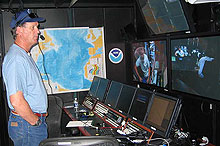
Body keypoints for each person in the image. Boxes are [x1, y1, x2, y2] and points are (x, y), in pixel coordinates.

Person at [2, 9, 48, 146]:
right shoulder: (16, 58)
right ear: (19, 30)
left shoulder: (22, 55)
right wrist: (35, 121)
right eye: (33, 27)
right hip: (28, 125)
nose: (38, 31)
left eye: (37, 27)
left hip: (28, 124)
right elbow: (16, 101)